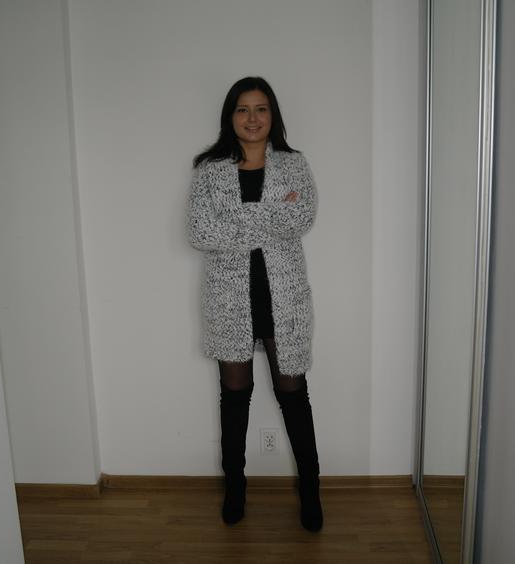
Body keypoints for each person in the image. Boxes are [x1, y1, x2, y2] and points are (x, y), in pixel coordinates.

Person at [188, 76, 322, 532]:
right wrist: (272, 214)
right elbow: (200, 232)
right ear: (230, 116)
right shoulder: (209, 170)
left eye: (260, 108)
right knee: (234, 397)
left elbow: (301, 217)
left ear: (272, 115)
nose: (252, 118)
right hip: (229, 300)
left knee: (293, 395)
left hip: (283, 299)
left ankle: (310, 489)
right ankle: (235, 488)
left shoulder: (294, 165)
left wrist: (236, 221)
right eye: (242, 109)